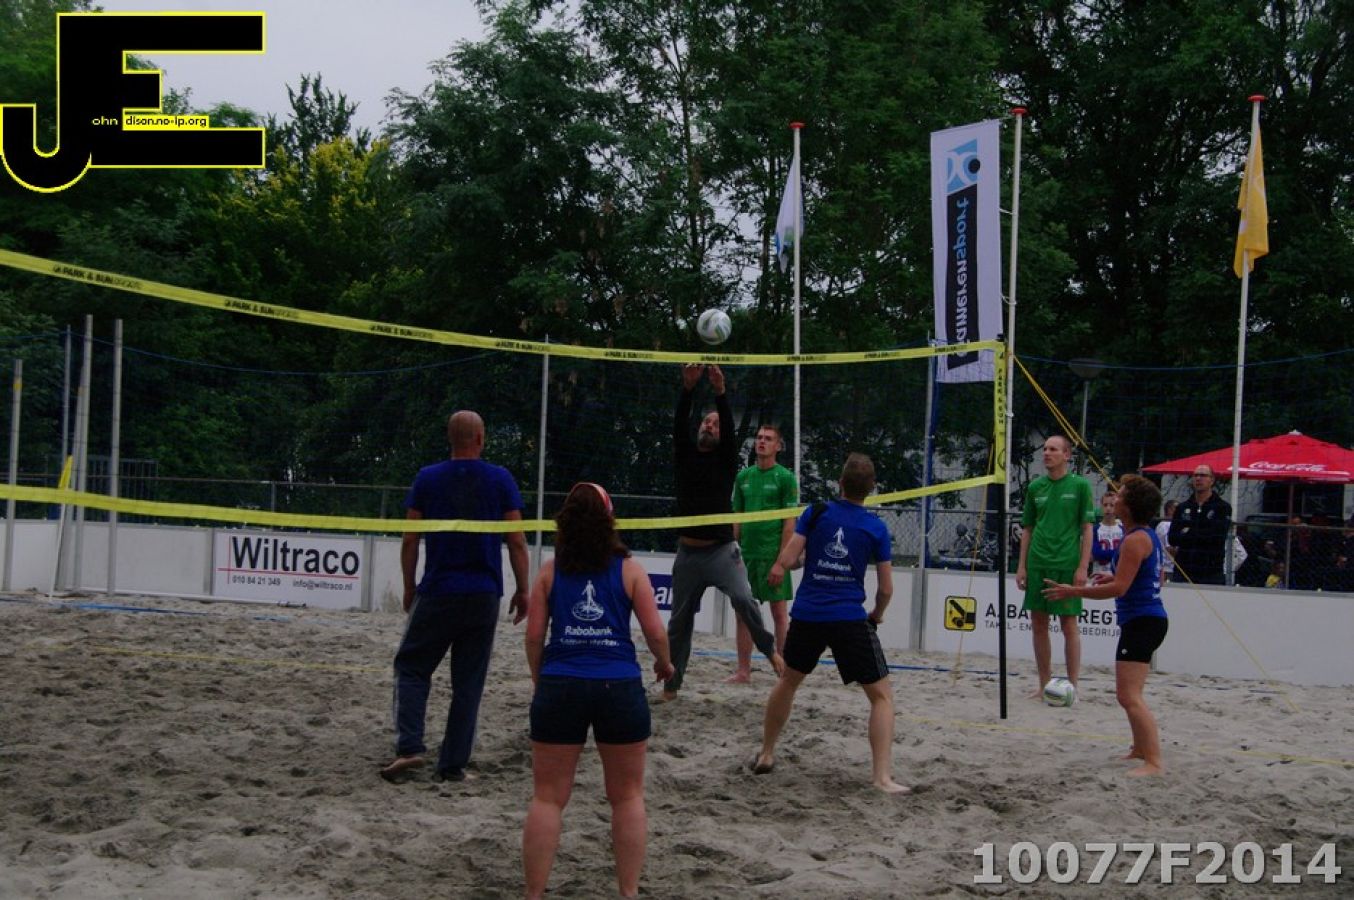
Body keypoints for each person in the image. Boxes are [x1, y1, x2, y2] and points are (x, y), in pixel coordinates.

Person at [521, 482, 674, 900]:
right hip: (618, 685)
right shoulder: (629, 569)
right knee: (627, 797)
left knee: (547, 798)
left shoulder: (551, 570)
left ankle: (533, 894)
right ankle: (628, 892)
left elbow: (534, 637)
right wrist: (664, 664)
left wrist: (540, 680)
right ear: (610, 520)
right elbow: (655, 632)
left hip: (561, 682)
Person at [382, 410, 530, 783]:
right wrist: (523, 588)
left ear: (450, 439)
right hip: (483, 593)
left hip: (439, 589)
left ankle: (410, 748)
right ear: (481, 439)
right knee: (468, 683)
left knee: (412, 667)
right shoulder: (500, 478)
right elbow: (516, 540)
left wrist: (409, 585)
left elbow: (410, 539)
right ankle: (452, 766)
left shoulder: (427, 478)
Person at [752, 453, 907, 794]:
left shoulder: (817, 512)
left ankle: (766, 752)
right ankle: (882, 778)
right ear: (872, 489)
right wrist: (877, 615)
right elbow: (885, 589)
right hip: (848, 618)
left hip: (808, 613)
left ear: (839, 483)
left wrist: (787, 565)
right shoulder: (875, 528)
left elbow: (788, 558)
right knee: (881, 697)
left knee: (788, 682)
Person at [663, 364, 784, 701]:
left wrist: (720, 392)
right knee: (678, 623)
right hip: (688, 553)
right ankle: (672, 685)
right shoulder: (685, 455)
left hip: (720, 551)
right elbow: (678, 425)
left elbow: (730, 429)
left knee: (744, 599)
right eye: (706, 422)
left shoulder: (725, 460)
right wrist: (687, 388)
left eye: (715, 424)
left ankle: (770, 651)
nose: (710, 425)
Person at [1043, 474, 1168, 777]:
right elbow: (1139, 576)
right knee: (1129, 694)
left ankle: (1154, 762)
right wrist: (1110, 576)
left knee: (1129, 696)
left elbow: (1120, 589)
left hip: (1143, 621)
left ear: (1131, 505)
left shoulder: (1136, 539)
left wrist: (1074, 591)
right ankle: (1139, 749)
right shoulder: (1141, 535)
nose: (1115, 498)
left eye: (1120, 495)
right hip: (1145, 619)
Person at [1015, 435, 1094, 697]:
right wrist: (1022, 566)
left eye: (1053, 449)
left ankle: (1073, 686)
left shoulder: (1080, 486)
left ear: (1066, 455)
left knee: (1068, 624)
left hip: (1066, 563)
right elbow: (1028, 528)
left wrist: (1083, 567)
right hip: (1038, 561)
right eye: (1045, 449)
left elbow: (1087, 528)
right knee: (1038, 623)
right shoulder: (1036, 487)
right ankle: (1044, 684)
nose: (1047, 453)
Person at [728, 422, 799, 683]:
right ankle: (743, 671)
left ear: (778, 446)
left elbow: (790, 523)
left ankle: (784, 671)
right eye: (759, 437)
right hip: (746, 555)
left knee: (779, 614)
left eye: (768, 438)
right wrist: (731, 549)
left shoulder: (786, 478)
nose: (762, 442)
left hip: (772, 555)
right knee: (742, 614)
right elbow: (737, 517)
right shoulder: (743, 477)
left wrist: (781, 562)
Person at [1167, 465, 1231, 585]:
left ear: (1212, 480)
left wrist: (1187, 532)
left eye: (1203, 475)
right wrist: (1203, 530)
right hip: (1183, 571)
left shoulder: (1222, 507)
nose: (1198, 478)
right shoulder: (1182, 507)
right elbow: (1172, 538)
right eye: (1195, 475)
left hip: (1211, 572)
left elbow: (1217, 538)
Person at [1091, 487, 1124, 577]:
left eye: (1112, 505)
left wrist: (1105, 553)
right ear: (1101, 507)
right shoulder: (1095, 529)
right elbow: (1095, 553)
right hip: (1099, 574)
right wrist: (1118, 553)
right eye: (1105, 505)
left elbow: (1127, 553)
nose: (1108, 508)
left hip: (1117, 575)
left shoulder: (1123, 529)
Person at [1155, 499, 1178, 582]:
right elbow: (1170, 549)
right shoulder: (1166, 525)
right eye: (1176, 508)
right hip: (1167, 568)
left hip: (1169, 567)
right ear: (1169, 510)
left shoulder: (1167, 524)